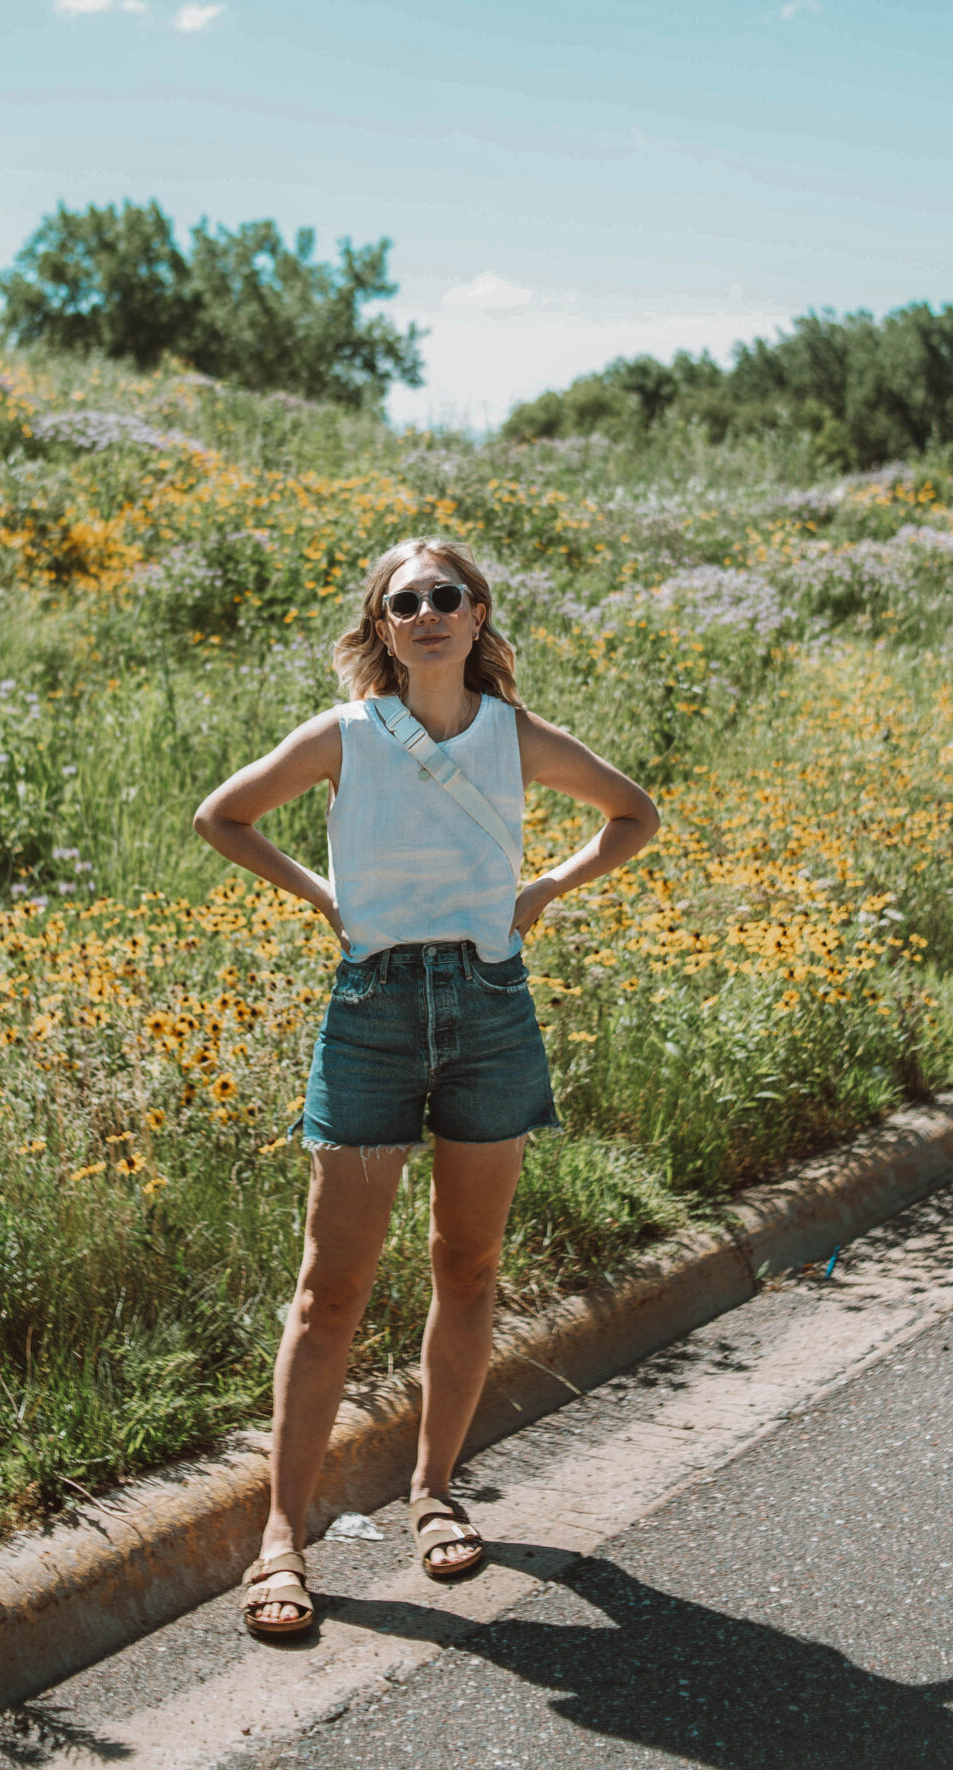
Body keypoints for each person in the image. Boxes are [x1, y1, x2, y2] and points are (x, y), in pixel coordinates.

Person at [194, 536, 660, 1637]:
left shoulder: (516, 735)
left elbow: (634, 814)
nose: (431, 612)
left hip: (491, 1007)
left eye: (449, 595)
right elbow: (222, 816)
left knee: (469, 1261)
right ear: (385, 626)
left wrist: (545, 888)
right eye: (409, 602)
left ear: (480, 613)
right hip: (373, 1015)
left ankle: (434, 1489)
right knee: (332, 1287)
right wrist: (325, 899)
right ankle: (281, 1537)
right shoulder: (347, 735)